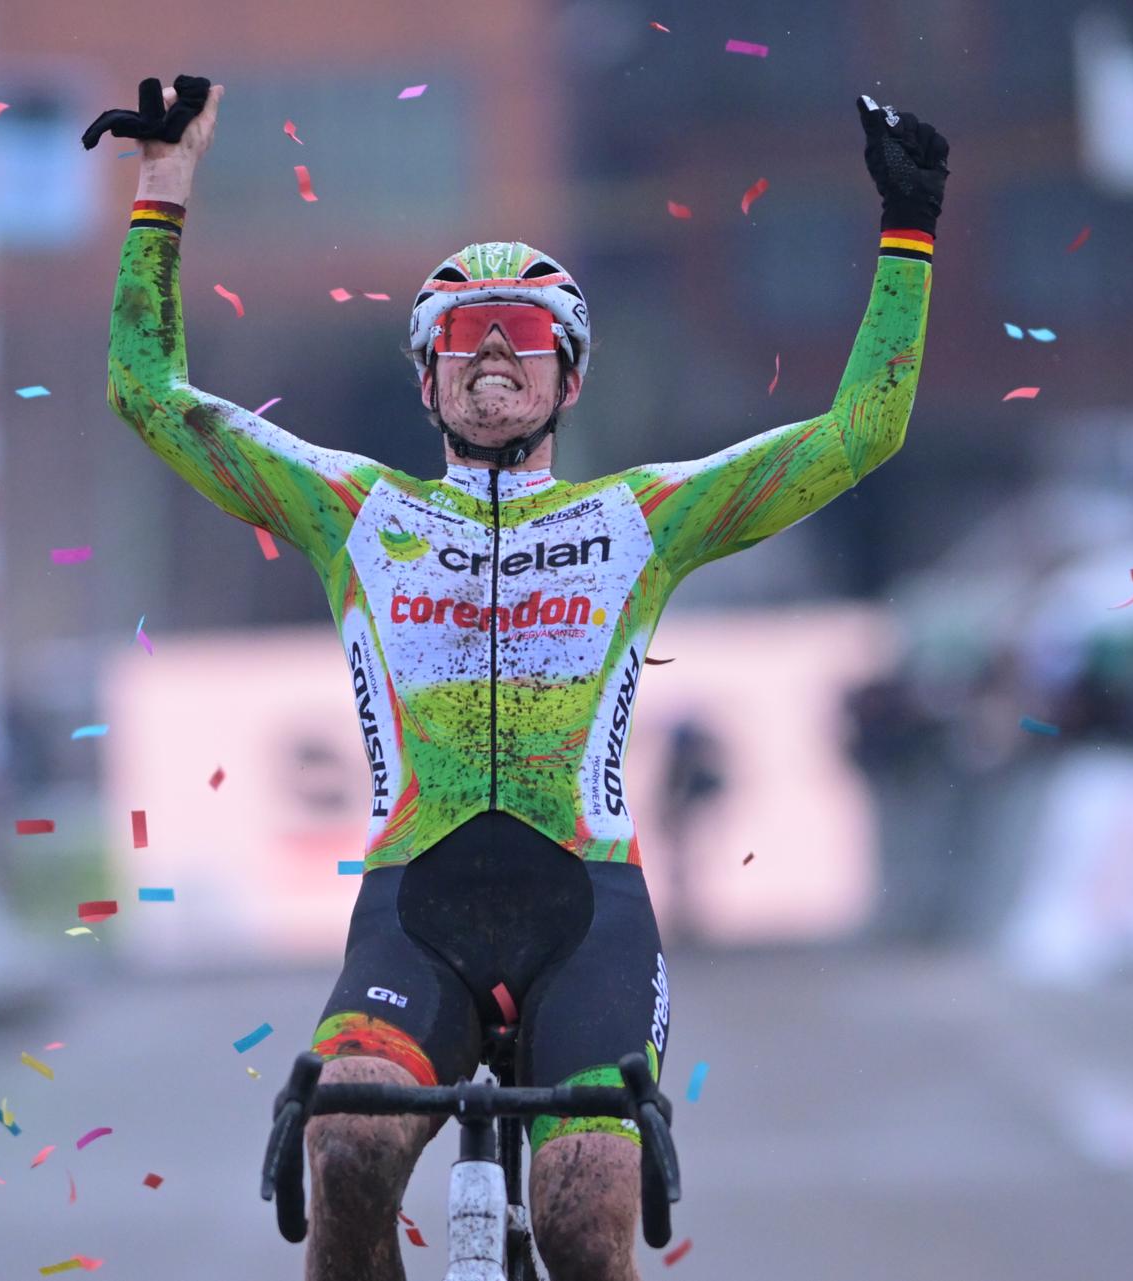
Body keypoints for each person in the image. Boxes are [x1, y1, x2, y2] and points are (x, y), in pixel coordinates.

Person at [98, 75, 946, 1281]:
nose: (494, 351)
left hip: (586, 910)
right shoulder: (355, 512)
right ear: (425, 377)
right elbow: (149, 396)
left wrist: (907, 233)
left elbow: (860, 432)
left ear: (573, 377)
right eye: (460, 334)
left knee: (585, 1218)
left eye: (529, 334)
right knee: (342, 1156)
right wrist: (163, 188)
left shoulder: (640, 518)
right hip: (415, 908)